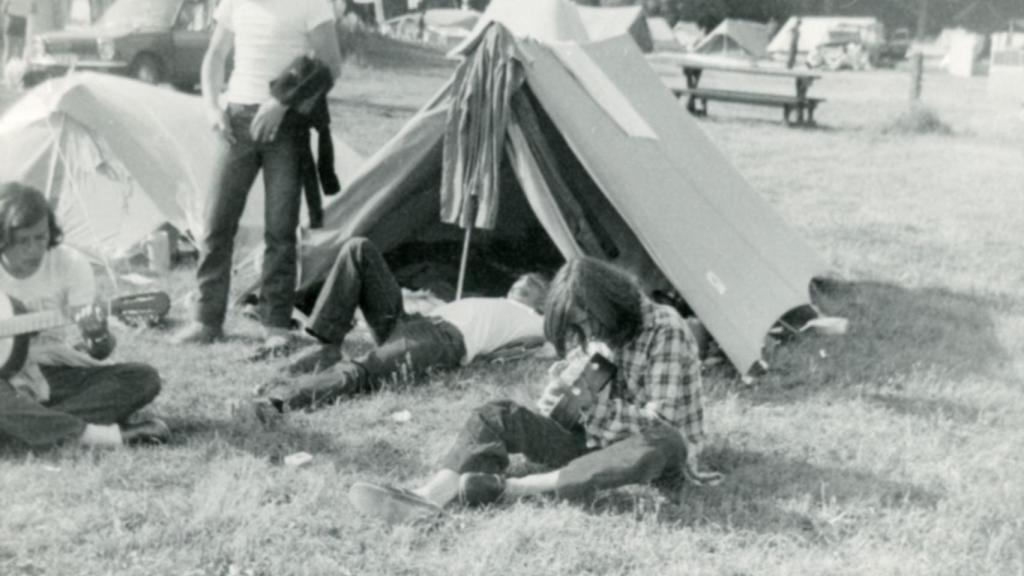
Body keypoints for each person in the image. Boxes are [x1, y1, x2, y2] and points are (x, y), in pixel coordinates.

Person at [347, 256, 721, 525]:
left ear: (610, 305)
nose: (587, 336)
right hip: (596, 442)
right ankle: (429, 498)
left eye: (587, 324)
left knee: (665, 441)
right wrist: (563, 399)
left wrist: (596, 407)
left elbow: (664, 426)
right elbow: (569, 410)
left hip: (652, 453)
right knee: (498, 414)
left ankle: (511, 489)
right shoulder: (603, 335)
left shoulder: (665, 329)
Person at [172, 0, 344, 358]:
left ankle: (276, 325)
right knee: (216, 220)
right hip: (236, 120)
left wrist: (281, 102)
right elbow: (215, 56)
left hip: (287, 123)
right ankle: (206, 319)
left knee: (280, 230)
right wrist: (211, 107)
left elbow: (331, 64)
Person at [255, 236, 550, 414]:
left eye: (535, 283)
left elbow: (564, 342)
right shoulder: (492, 302)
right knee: (359, 248)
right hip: (412, 321)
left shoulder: (537, 323)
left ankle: (281, 401)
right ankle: (328, 346)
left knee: (365, 368)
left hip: (441, 341)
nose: (524, 281)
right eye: (522, 278)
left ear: (544, 304)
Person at [0, 183, 168, 450]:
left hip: (51, 371)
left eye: (40, 237)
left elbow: (100, 351)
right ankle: (100, 436)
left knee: (142, 378)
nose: (34, 250)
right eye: (22, 241)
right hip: (4, 380)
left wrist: (97, 333)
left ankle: (25, 426)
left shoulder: (69, 263)